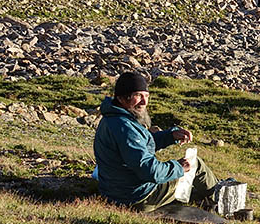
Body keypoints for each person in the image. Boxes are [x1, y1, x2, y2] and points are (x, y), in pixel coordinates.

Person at [93, 71, 219, 211]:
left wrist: (170, 136)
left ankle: (207, 198)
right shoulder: (125, 128)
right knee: (196, 164)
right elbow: (149, 170)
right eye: (138, 95)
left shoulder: (113, 119)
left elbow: (139, 145)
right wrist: (178, 167)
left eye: (146, 96)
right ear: (122, 98)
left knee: (188, 180)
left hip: (116, 191)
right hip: (138, 197)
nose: (144, 102)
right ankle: (220, 202)